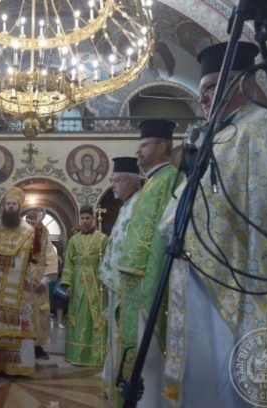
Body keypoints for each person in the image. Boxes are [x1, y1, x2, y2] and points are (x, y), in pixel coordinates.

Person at [160, 42, 267, 407]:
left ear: (241, 84)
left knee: (233, 377)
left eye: (209, 88)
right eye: (201, 89)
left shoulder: (265, 128)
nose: (202, 98)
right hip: (206, 278)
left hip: (241, 281)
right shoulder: (222, 135)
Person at [115, 119, 181, 407]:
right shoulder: (153, 182)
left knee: (151, 351)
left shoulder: (171, 179)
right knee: (139, 348)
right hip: (136, 278)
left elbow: (164, 233)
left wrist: (155, 275)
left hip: (148, 278)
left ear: (162, 146)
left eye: (144, 145)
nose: (138, 151)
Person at [0, 187, 48, 376]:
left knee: (20, 325)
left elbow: (36, 256)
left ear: (19, 207)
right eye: (8, 204)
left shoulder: (28, 231)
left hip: (20, 292)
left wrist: (39, 231)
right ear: (3, 207)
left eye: (14, 204)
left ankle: (19, 367)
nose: (11, 206)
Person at [99, 157, 142, 403]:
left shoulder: (138, 205)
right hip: (117, 285)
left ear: (130, 182)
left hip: (127, 286)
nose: (112, 185)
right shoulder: (127, 206)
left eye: (116, 180)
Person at [60, 205, 108, 366]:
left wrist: (105, 278)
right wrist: (68, 283)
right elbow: (68, 263)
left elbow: (107, 261)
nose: (85, 221)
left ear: (93, 219)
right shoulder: (74, 240)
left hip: (96, 282)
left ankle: (96, 355)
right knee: (78, 316)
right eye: (82, 218)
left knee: (96, 316)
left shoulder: (103, 239)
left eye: (88, 218)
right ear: (79, 219)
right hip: (78, 283)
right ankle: (77, 354)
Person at [25, 211, 59, 360]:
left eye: (33, 223)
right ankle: (22, 345)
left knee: (40, 316)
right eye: (28, 223)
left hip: (39, 285)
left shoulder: (44, 240)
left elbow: (51, 259)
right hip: (23, 285)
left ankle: (38, 348)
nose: (30, 226)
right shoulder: (20, 238)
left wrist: (44, 281)